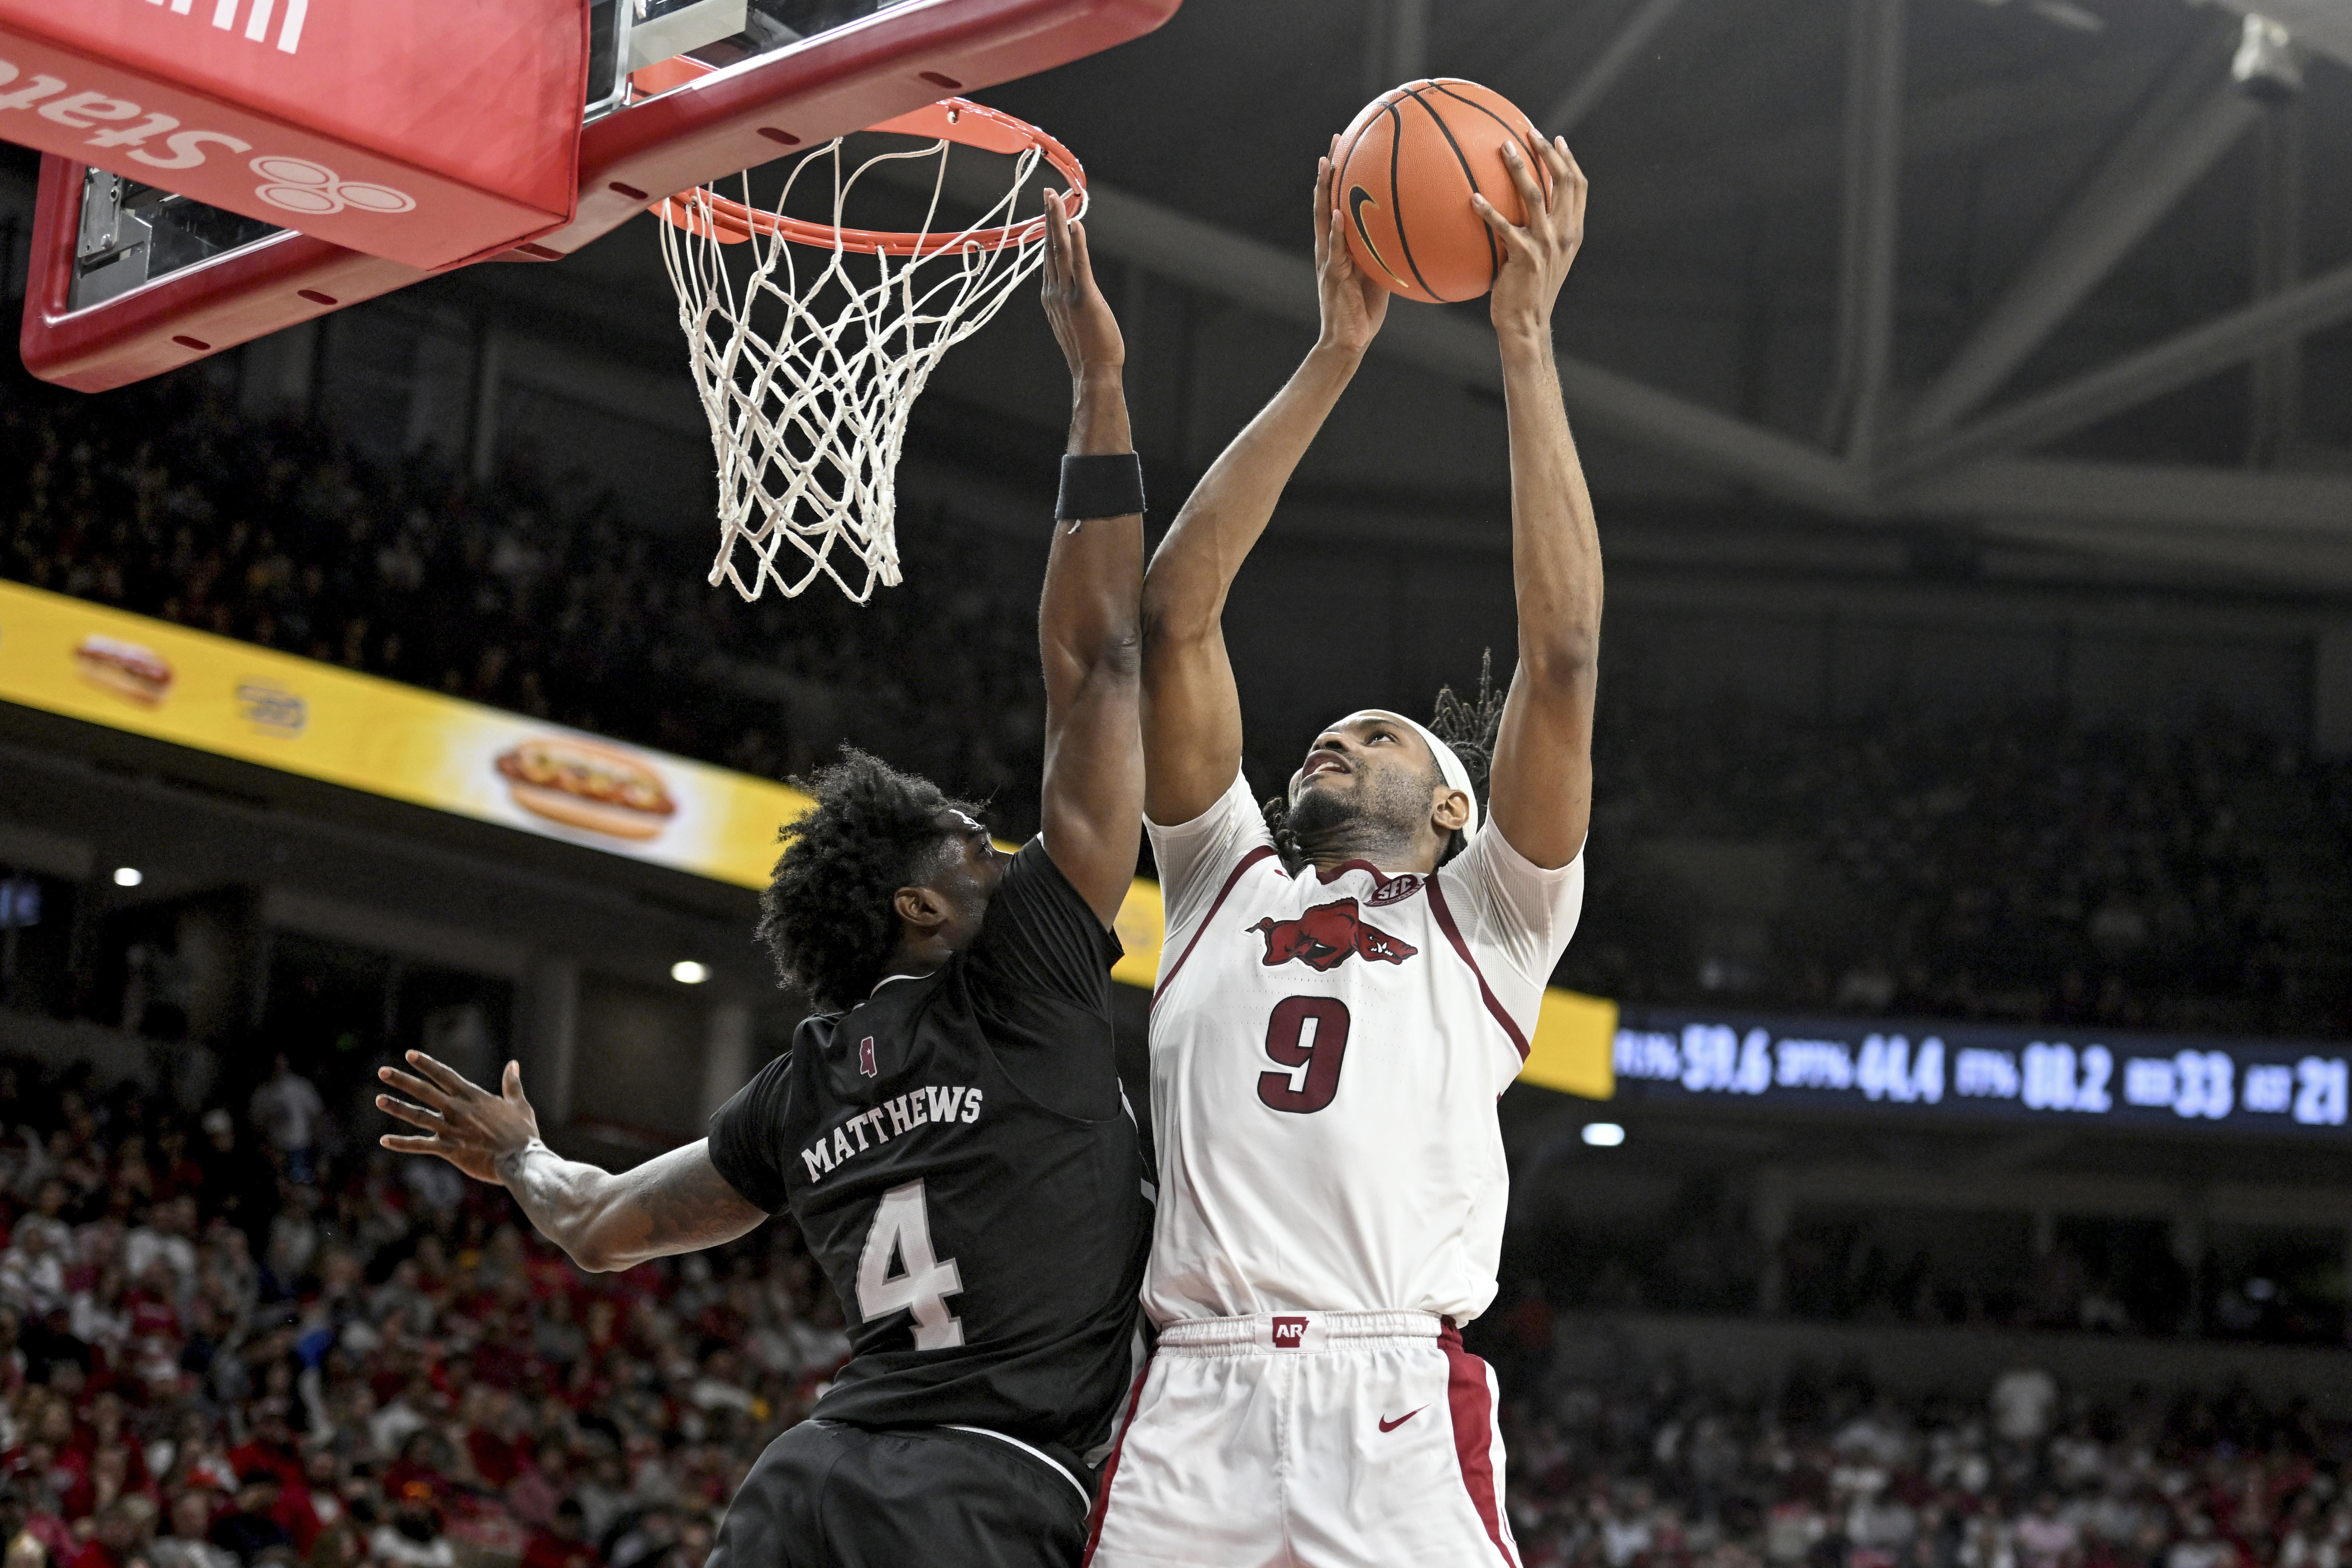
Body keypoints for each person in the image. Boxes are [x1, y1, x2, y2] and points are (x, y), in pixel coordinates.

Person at [376, 187, 1153, 1568]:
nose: (1002, 846)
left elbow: (603, 1226)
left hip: (807, 1487)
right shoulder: (1020, 975)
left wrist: (523, 1161)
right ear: (921, 908)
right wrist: (1098, 383)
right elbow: (1098, 666)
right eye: (972, 844)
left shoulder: (799, 1093)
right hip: (978, 1494)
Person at [1089, 131, 1598, 1567]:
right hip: (1195, 1386)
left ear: (1457, 808)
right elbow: (1175, 618)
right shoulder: (1219, 875)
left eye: (1376, 733)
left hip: (1391, 1390)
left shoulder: (1496, 915)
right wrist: (1334, 351)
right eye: (1326, 731)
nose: (1333, 740)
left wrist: (1524, 342)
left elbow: (1561, 656)